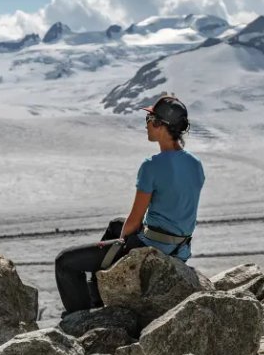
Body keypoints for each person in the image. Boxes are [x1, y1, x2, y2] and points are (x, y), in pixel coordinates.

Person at [55, 95, 205, 314]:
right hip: (179, 249)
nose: (146, 125)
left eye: (149, 119)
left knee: (65, 263)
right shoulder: (195, 164)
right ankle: (97, 294)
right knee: (116, 224)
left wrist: (121, 245)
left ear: (160, 125)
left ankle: (81, 319)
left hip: (150, 248)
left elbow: (135, 221)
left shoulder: (151, 166)